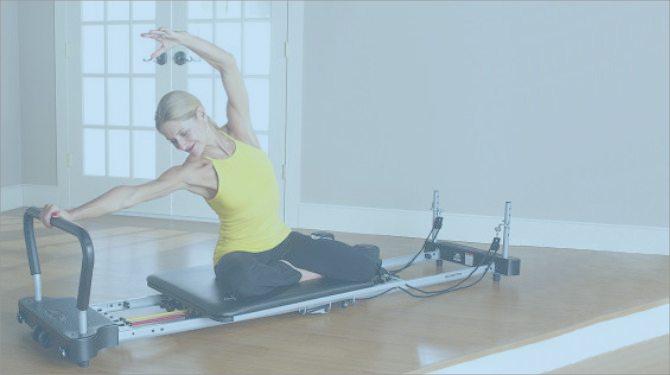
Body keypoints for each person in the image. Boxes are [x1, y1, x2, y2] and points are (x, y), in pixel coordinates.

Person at [39, 27, 382, 299]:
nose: (182, 145)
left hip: (283, 240)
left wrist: (182, 39)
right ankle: (299, 272)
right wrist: (72, 214)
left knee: (367, 267)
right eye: (173, 141)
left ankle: (310, 258)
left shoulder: (241, 132)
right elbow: (131, 195)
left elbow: (228, 64)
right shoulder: (194, 171)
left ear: (202, 113)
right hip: (238, 255)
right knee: (241, 280)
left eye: (184, 133)